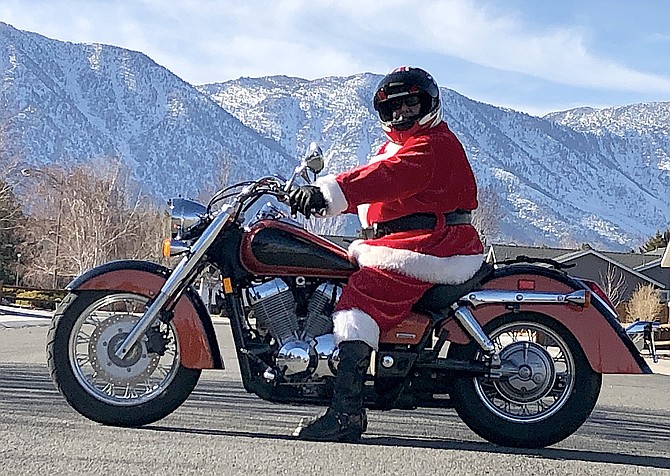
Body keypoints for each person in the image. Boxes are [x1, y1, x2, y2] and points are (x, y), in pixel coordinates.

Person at [289, 66, 484, 442]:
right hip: (412, 240)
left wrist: (327, 192)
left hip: (430, 244)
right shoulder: (398, 149)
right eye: (393, 108)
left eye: (411, 104)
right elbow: (376, 188)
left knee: (359, 300)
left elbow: (387, 178)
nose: (402, 114)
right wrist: (319, 199)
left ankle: (346, 415)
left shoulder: (433, 144)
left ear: (428, 104)